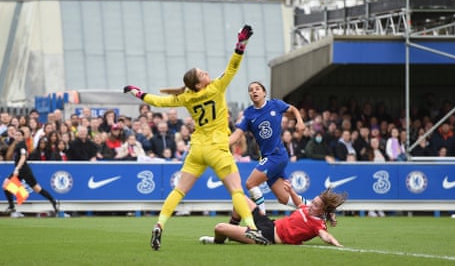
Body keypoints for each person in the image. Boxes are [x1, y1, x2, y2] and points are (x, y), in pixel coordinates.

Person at [124, 24, 264, 251]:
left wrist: (137, 92)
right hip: (218, 147)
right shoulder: (216, 88)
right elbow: (233, 67)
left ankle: (160, 224)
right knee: (236, 191)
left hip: (197, 148)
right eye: (202, 74)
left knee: (179, 191)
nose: (207, 73)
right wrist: (241, 44)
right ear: (200, 83)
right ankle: (252, 228)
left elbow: (158, 101)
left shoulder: (186, 97)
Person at [229, 81, 306, 214]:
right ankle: (316, 212)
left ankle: (262, 220)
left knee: (250, 184)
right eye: (251, 90)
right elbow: (237, 134)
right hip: (268, 157)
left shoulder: (275, 105)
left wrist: (300, 121)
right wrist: (221, 144)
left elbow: (293, 109)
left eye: (257, 89)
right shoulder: (249, 114)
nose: (254, 91)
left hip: (276, 155)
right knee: (284, 198)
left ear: (264, 93)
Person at [199, 180, 346, 246]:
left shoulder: (318, 224)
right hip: (268, 223)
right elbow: (299, 203)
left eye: (315, 204)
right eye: (312, 202)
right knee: (240, 199)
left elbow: (323, 234)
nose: (311, 205)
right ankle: (229, 235)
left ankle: (220, 239)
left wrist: (333, 241)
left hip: (267, 236)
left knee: (219, 228)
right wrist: (291, 191)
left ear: (322, 210)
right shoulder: (307, 209)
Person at [3, 129, 58, 217]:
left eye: (19, 135)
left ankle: (54, 202)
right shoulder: (17, 145)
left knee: (37, 189)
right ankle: (12, 205)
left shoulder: (22, 145)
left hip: (24, 170)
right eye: (16, 135)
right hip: (21, 170)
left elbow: (23, 157)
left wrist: (17, 168)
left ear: (22, 136)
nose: (17, 137)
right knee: (6, 185)